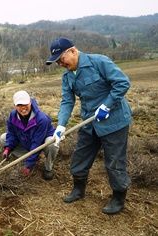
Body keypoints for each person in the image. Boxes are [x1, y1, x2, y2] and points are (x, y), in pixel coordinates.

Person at [46, 37, 132, 215]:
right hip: (90, 121)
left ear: (72, 51)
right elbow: (67, 101)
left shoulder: (99, 62)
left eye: (61, 59)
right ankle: (79, 190)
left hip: (114, 121)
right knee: (80, 155)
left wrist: (107, 105)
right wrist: (61, 125)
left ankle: (118, 197)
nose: (60, 64)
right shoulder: (67, 76)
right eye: (57, 62)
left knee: (114, 162)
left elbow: (122, 83)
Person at [0, 90, 59, 179]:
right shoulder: (13, 115)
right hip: (28, 140)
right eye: (19, 105)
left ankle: (48, 168)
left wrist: (28, 165)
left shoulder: (42, 119)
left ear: (30, 102)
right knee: (3, 138)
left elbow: (37, 143)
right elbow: (12, 133)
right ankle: (31, 157)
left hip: (42, 141)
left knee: (52, 144)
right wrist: (8, 147)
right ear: (15, 105)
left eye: (25, 104)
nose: (23, 107)